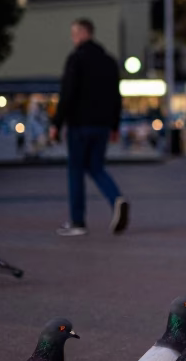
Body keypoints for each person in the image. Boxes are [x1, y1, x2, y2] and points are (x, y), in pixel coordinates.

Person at [50, 18, 129, 236]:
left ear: (83, 33)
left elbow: (67, 94)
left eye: (74, 33)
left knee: (75, 170)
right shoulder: (109, 61)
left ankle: (77, 222)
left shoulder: (76, 59)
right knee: (96, 167)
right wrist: (114, 125)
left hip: (79, 124)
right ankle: (116, 198)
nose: (72, 38)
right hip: (102, 125)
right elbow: (116, 97)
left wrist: (56, 123)